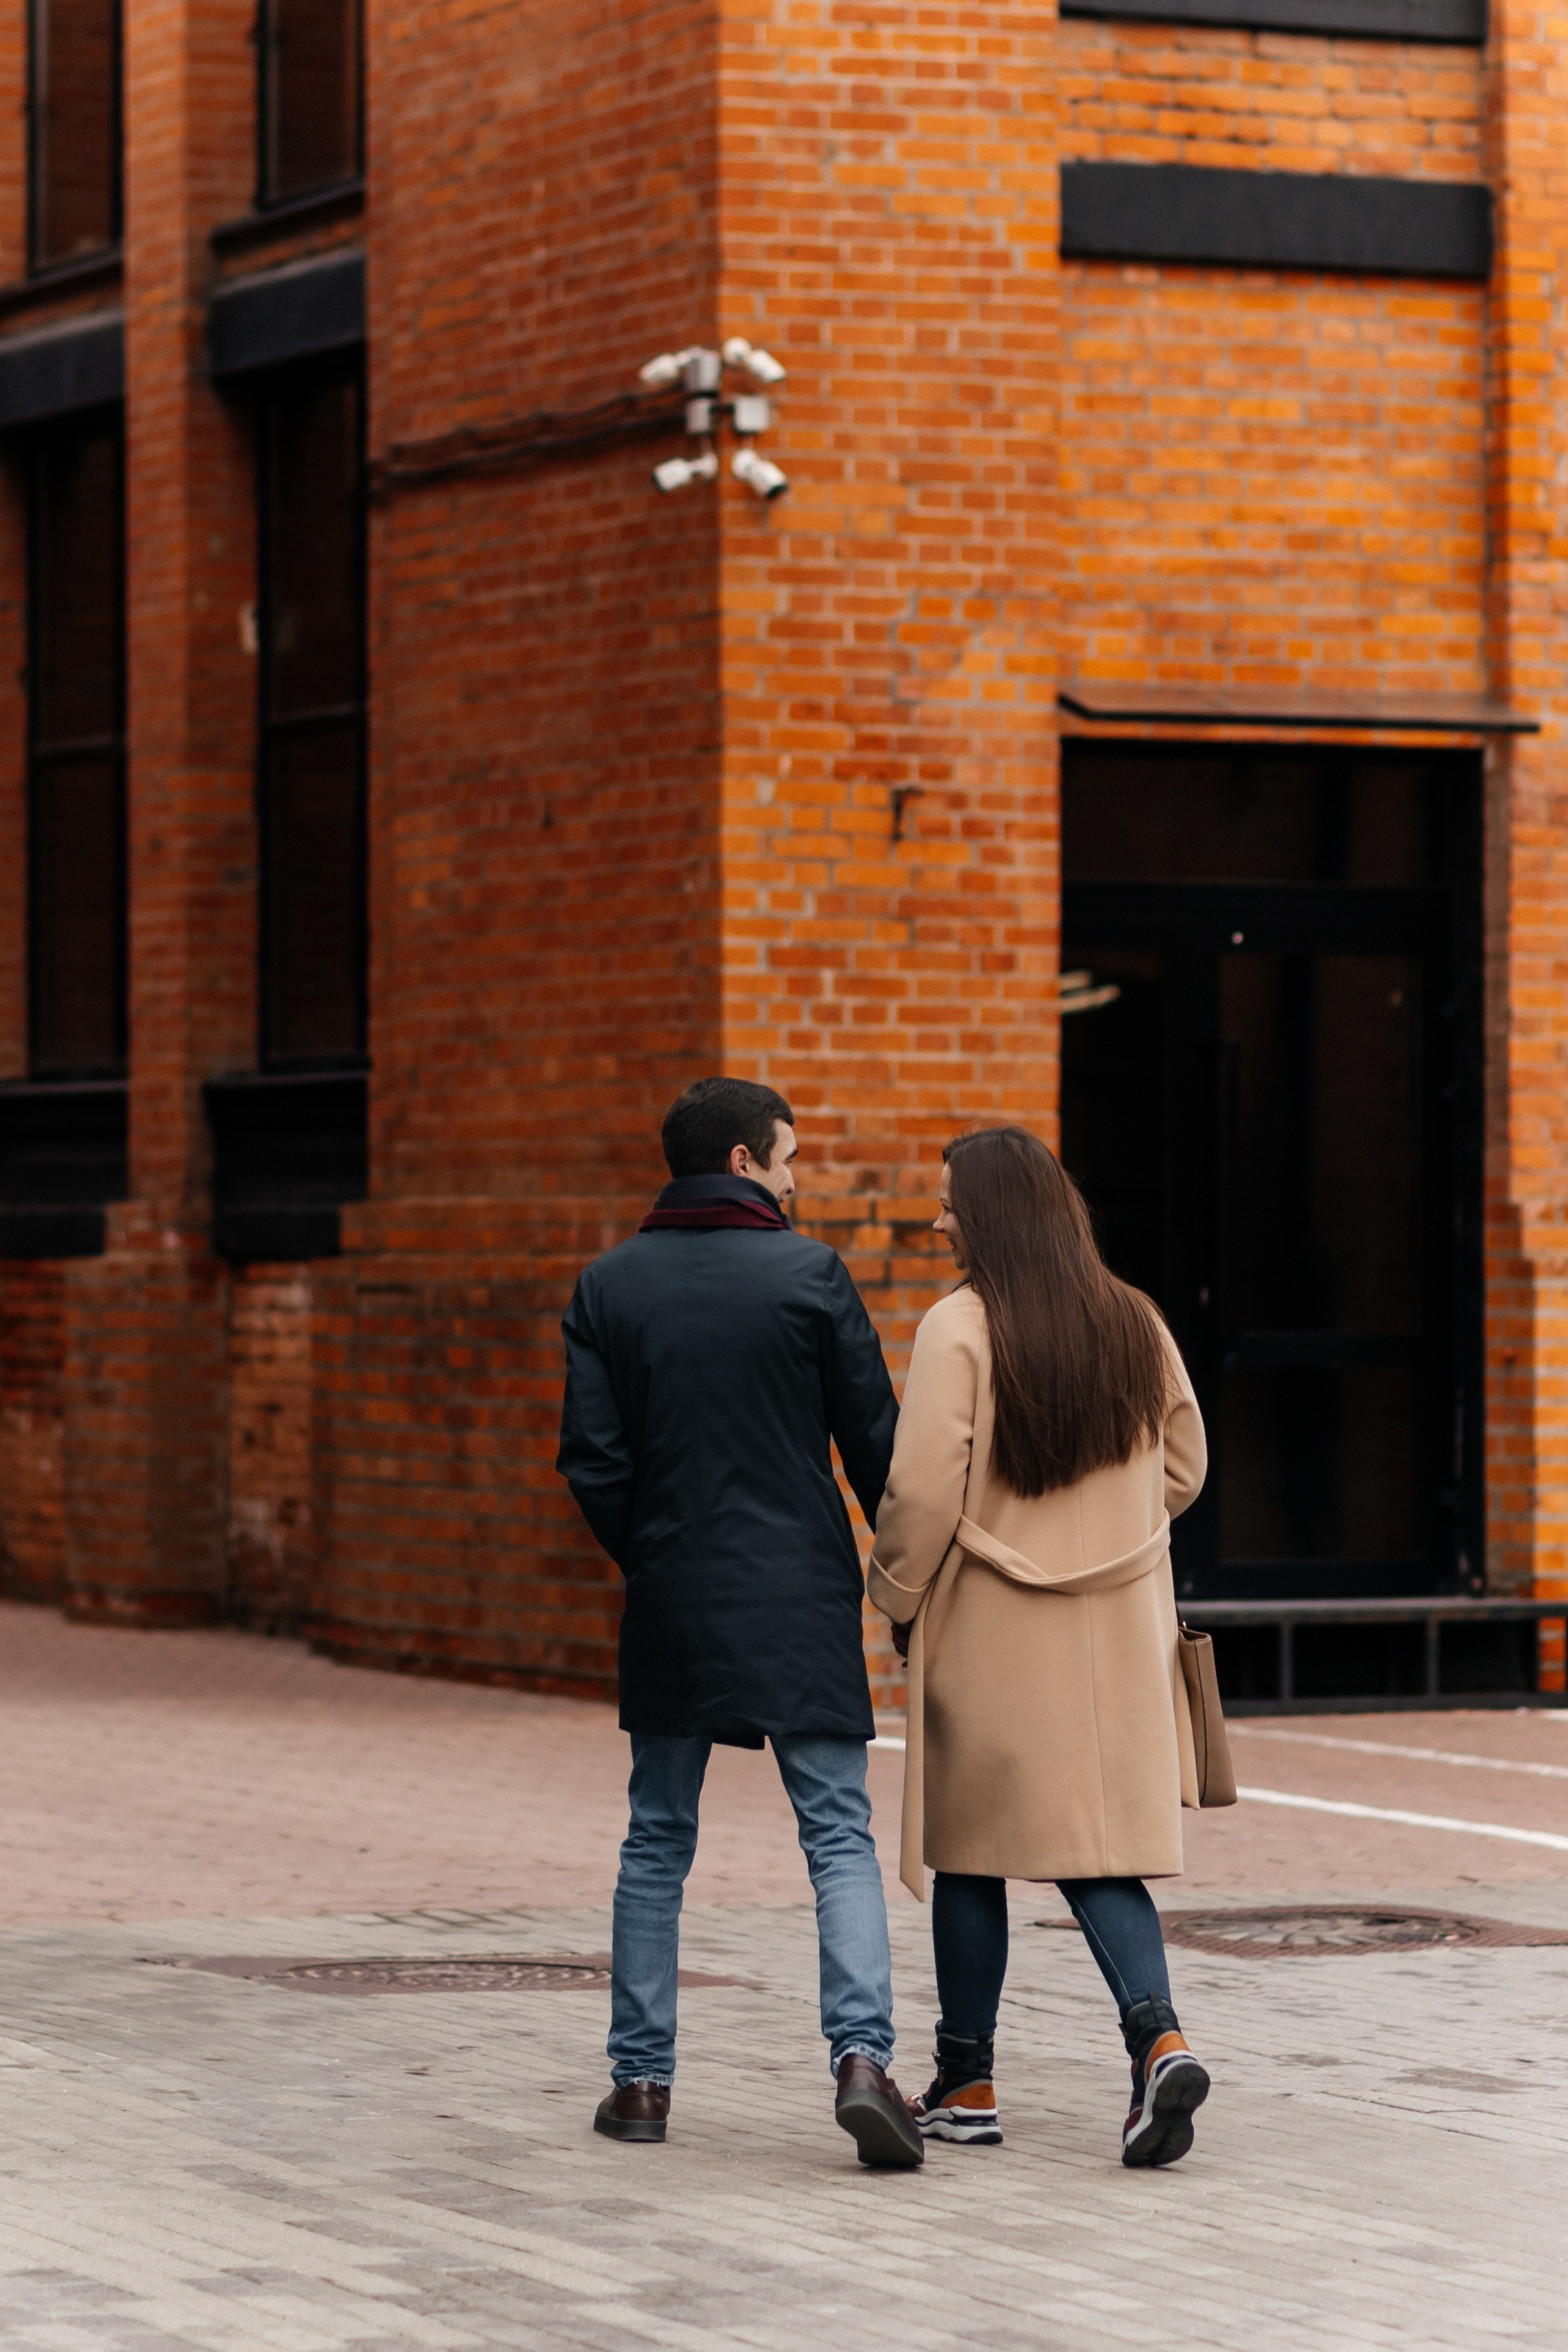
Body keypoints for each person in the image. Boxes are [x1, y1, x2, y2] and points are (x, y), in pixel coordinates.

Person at [557, 1075, 923, 2168]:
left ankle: (639, 2083)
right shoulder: (810, 1275)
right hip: (801, 1593)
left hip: (674, 1593)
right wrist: (901, 1583)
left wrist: (660, 1556)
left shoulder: (609, 1286)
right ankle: (862, 2062)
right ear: (742, 1164)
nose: (799, 1178)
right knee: (838, 1835)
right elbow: (878, 1451)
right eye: (790, 1157)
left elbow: (593, 1462)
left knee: (658, 1836)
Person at [868, 1125, 1212, 2168]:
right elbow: (1186, 1463)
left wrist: (892, 1590)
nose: (937, 1221)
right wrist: (1107, 1523)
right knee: (1097, 1854)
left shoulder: (958, 1329)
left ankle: (966, 2081)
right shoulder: (1137, 1323)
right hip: (1116, 1636)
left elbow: (922, 1489)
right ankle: (1160, 2042)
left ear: (992, 1216)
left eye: (949, 1205)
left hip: (992, 1628)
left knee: (972, 1854)